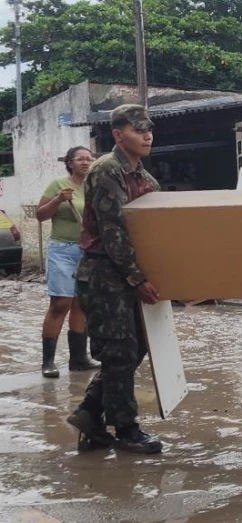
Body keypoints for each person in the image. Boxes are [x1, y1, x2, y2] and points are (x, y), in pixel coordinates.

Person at [66, 104, 164, 454]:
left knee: (134, 349)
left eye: (149, 129)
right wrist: (137, 278)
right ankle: (126, 430)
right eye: (138, 129)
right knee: (119, 351)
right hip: (105, 272)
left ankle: (90, 414)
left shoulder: (147, 180)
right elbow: (113, 232)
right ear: (118, 134)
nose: (147, 135)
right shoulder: (107, 171)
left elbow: (159, 233)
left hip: (129, 273)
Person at [35, 147, 100, 378]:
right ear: (70, 163)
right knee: (60, 303)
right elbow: (40, 215)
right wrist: (58, 199)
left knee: (81, 303)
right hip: (62, 250)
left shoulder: (96, 186)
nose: (86, 162)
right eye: (80, 159)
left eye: (89, 158)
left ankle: (79, 359)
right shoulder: (58, 185)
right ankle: (48, 362)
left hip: (88, 250)